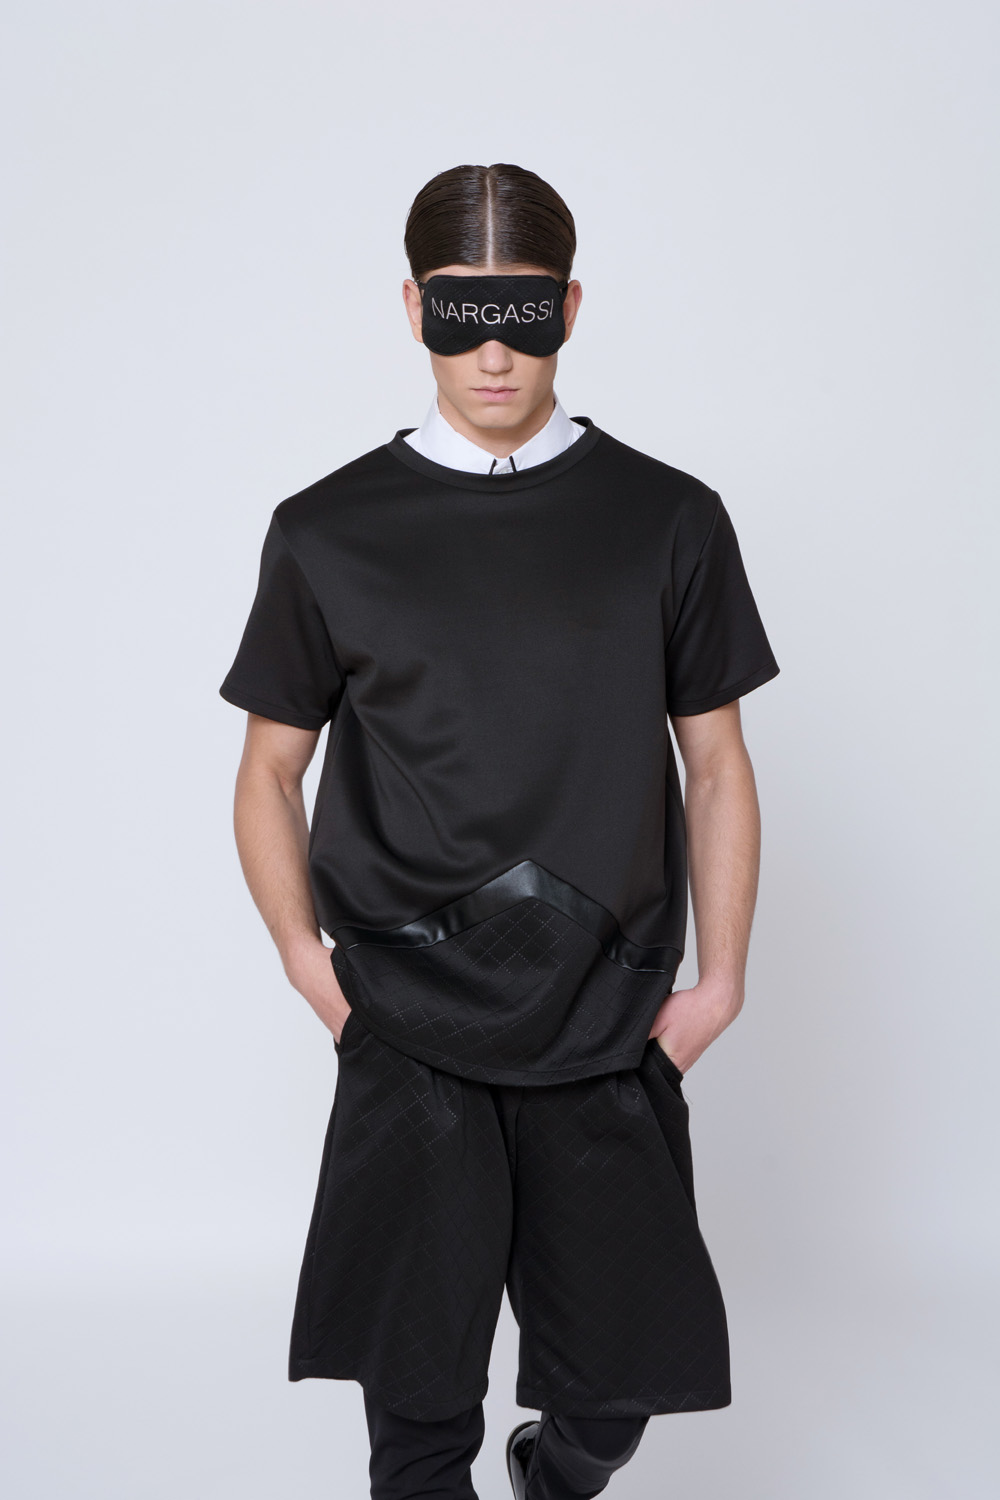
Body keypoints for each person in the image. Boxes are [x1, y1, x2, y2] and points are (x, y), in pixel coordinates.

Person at [219, 162, 780, 1500]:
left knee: (615, 1393)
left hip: (607, 1014)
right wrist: (312, 969)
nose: (491, 353)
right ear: (415, 306)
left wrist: (721, 985)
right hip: (409, 1020)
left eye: (521, 315)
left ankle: (548, 1473)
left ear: (569, 308)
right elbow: (270, 771)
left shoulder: (668, 518)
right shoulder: (327, 531)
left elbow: (715, 762)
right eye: (462, 315)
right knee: (417, 1415)